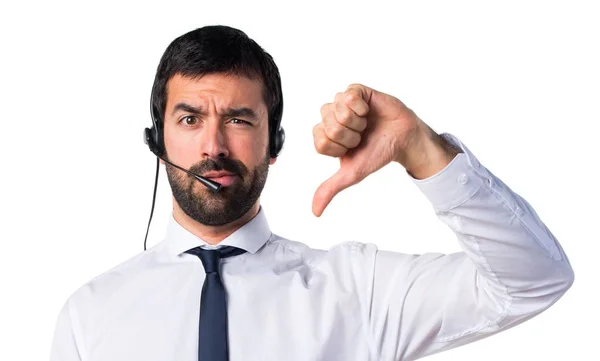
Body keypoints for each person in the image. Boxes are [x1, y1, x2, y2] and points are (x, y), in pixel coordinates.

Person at [49, 25, 574, 361]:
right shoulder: (89, 315)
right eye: (189, 119)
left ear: (273, 143)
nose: (213, 145)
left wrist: (421, 148)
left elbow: (533, 281)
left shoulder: (359, 292)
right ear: (157, 139)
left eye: (238, 119)